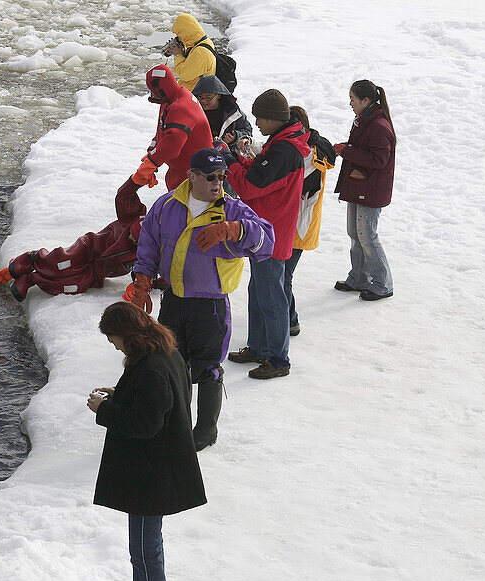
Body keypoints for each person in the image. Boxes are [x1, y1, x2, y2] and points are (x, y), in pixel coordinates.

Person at [126, 148, 274, 450]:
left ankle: (206, 431)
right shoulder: (166, 206)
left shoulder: (232, 210)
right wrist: (142, 280)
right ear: (191, 176)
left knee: (208, 369)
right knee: (170, 364)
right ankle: (174, 424)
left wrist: (234, 230)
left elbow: (267, 241)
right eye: (210, 177)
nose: (218, 183)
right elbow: (149, 244)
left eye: (222, 177)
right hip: (174, 301)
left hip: (211, 306)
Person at [87, 301, 206, 581]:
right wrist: (119, 395)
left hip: (151, 479)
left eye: (114, 339)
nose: (114, 345)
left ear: (129, 334)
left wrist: (104, 411)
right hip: (157, 470)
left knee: (145, 551)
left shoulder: (152, 367)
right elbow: (161, 404)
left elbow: (145, 424)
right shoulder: (165, 352)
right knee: (144, 549)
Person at [225, 89, 310, 379]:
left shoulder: (284, 150)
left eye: (260, 118)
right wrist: (237, 157)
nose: (257, 124)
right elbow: (260, 172)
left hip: (270, 235)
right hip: (269, 230)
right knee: (259, 291)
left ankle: (278, 360)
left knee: (271, 297)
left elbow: (251, 185)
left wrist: (231, 162)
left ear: (274, 119)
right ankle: (259, 347)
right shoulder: (282, 143)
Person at [4, 179, 146, 301]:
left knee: (71, 286)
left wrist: (139, 287)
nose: (130, 237)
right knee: (62, 263)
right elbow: (123, 195)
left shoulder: (149, 252)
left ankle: (31, 279)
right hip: (88, 249)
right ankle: (32, 259)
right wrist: (136, 181)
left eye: (135, 239)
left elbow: (151, 271)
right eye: (131, 232)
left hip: (96, 273)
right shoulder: (133, 216)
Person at [333, 80, 395, 301]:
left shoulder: (378, 125)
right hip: (358, 186)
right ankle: (359, 277)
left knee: (367, 236)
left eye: (352, 99)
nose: (350, 103)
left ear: (366, 101)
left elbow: (380, 159)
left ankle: (382, 283)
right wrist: (346, 150)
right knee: (355, 233)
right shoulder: (364, 120)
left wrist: (347, 152)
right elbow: (364, 152)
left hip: (370, 191)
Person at [286, 106, 338, 335]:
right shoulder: (311, 148)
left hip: (298, 225)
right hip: (296, 224)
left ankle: (290, 321)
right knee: (283, 276)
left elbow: (288, 178)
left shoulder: (309, 154)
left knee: (283, 277)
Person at [133, 64, 214, 191]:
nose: (152, 95)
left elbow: (173, 143)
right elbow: (161, 131)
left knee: (186, 208)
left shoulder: (180, 107)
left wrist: (152, 162)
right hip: (181, 171)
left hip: (195, 175)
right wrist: (152, 152)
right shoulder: (170, 100)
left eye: (153, 91)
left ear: (160, 88)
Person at [192, 75, 253, 153]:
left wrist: (236, 137)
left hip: (228, 157)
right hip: (200, 156)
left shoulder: (233, 112)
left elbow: (247, 130)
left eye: (208, 97)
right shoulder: (192, 112)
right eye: (200, 97)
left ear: (218, 95)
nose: (203, 101)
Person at [160, 13, 216, 92]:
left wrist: (179, 55)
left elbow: (184, 74)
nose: (179, 38)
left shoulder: (200, 52)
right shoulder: (201, 43)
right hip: (194, 92)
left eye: (179, 35)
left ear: (186, 32)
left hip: (194, 95)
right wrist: (183, 52)